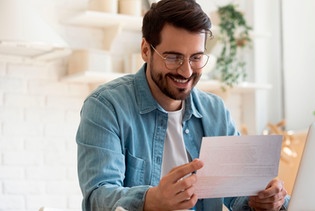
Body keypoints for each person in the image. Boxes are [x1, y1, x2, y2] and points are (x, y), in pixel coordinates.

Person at [76, 0, 290, 210]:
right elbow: (97, 197)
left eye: (196, 58)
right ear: (145, 50)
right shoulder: (106, 106)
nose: (186, 72)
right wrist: (152, 200)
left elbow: (237, 194)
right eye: (173, 57)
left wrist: (264, 200)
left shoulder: (214, 111)